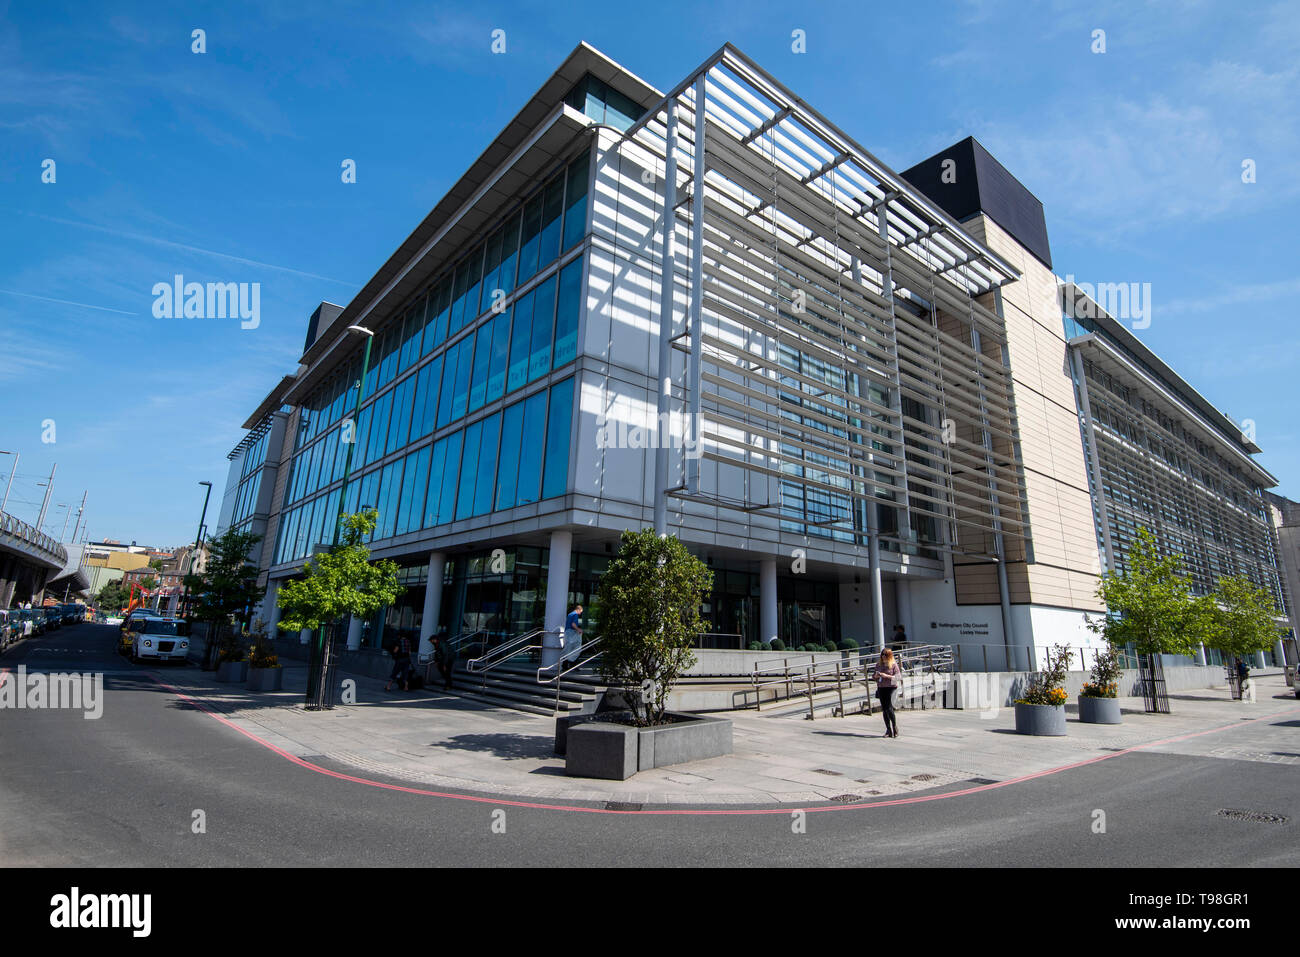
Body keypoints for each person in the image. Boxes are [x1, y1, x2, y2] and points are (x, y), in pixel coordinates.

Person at [874, 647, 902, 738]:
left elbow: (898, 677)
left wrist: (887, 676)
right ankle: (888, 729)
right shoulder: (878, 665)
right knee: (884, 709)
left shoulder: (893, 665)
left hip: (891, 687)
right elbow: (874, 677)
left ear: (889, 656)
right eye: (882, 654)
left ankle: (894, 727)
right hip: (881, 687)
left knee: (889, 707)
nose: (883, 656)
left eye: (885, 655)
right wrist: (876, 676)